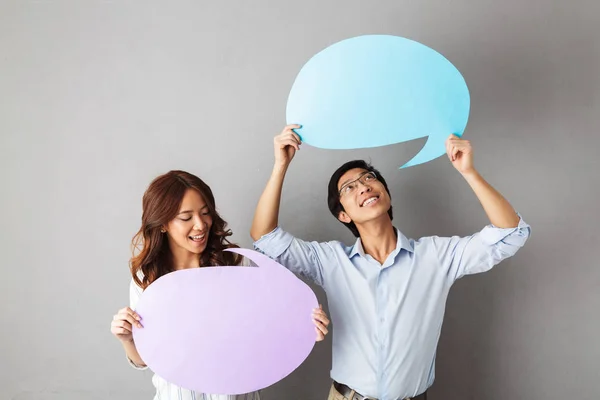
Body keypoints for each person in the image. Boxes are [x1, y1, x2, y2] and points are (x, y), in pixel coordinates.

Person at [250, 125, 531, 400]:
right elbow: (265, 238)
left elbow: (510, 234)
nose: (363, 186)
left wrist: (468, 172)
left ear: (385, 192)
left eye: (369, 178)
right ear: (343, 215)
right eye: (349, 187)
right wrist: (280, 165)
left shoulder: (436, 256)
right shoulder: (330, 261)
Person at [111, 170, 330, 400]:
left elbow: (262, 333)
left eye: (205, 213)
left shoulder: (236, 265)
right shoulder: (147, 279)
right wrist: (127, 339)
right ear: (162, 223)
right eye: (186, 217)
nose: (200, 225)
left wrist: (303, 331)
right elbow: (146, 359)